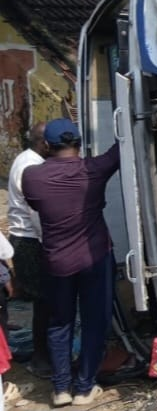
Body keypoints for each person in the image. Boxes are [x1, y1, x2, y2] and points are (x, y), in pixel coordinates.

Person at [21, 118, 119, 407]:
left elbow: (36, 205)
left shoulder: (32, 176)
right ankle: (84, 388)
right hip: (95, 258)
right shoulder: (94, 168)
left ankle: (61, 388)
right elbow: (120, 148)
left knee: (59, 323)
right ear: (79, 143)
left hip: (56, 262)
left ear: (47, 146)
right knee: (94, 323)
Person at [4, 122, 51, 378]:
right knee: (45, 301)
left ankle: (40, 352)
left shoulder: (27, 159)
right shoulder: (31, 166)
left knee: (42, 301)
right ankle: (40, 357)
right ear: (44, 143)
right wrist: (50, 242)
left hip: (27, 238)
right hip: (31, 240)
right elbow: (37, 212)